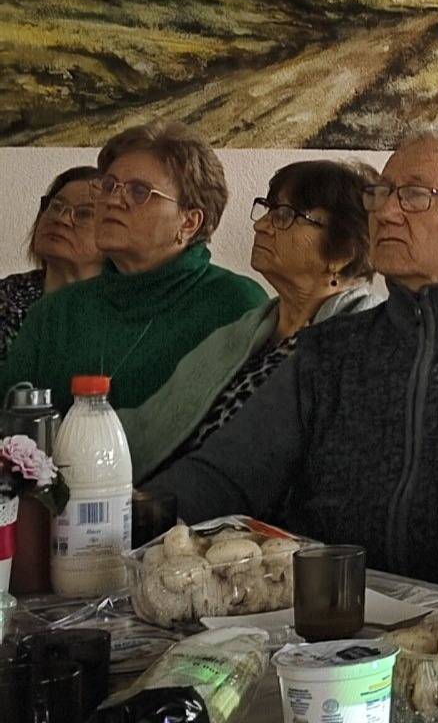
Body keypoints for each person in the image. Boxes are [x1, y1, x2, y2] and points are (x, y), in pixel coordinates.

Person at [149, 127, 438, 593]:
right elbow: (226, 473)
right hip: (332, 609)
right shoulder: (329, 350)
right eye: (382, 193)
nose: (386, 212)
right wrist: (128, 514)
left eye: (415, 196)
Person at [122, 161, 378, 481]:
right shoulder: (245, 332)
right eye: (268, 209)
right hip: (178, 494)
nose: (261, 225)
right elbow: (150, 426)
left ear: (342, 253)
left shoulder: (363, 342)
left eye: (285, 215)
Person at [0, 123, 264, 411]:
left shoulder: (236, 305)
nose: (113, 200)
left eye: (139, 191)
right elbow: (10, 424)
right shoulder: (55, 312)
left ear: (189, 222)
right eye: (109, 186)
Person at [0, 166, 103, 357]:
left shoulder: (129, 311)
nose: (60, 219)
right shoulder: (7, 297)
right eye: (55, 206)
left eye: (84, 213)